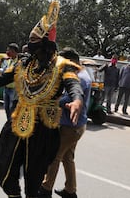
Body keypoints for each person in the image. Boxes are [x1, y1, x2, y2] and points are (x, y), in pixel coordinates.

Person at [0, 1, 83, 197]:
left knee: (33, 180)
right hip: (18, 124)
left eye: (34, 42)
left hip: (43, 131)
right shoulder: (23, 63)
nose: (30, 45)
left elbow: (73, 84)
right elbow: (1, 79)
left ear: (45, 45)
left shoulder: (62, 65)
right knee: (5, 167)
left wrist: (76, 100)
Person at [39, 47, 91, 198]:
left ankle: (45, 189)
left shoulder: (79, 78)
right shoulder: (82, 73)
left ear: (71, 61)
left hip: (70, 126)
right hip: (76, 125)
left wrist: (52, 100)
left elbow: (69, 99)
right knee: (68, 158)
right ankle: (70, 190)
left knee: (54, 156)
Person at [3, 43, 20, 121]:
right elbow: (4, 72)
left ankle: (11, 124)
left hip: (14, 89)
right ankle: (8, 122)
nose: (8, 52)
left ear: (14, 51)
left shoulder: (19, 62)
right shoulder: (8, 61)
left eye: (9, 50)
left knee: (11, 108)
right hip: (6, 88)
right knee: (6, 108)